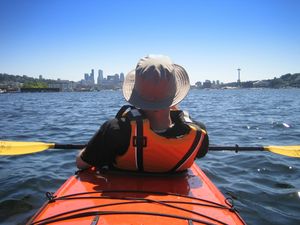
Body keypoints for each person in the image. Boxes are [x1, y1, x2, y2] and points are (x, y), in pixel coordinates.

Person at [76, 55, 209, 173]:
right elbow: (200, 153)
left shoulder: (116, 130)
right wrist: (167, 102)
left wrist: (89, 149)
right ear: (175, 96)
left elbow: (81, 163)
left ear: (136, 94)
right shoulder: (198, 132)